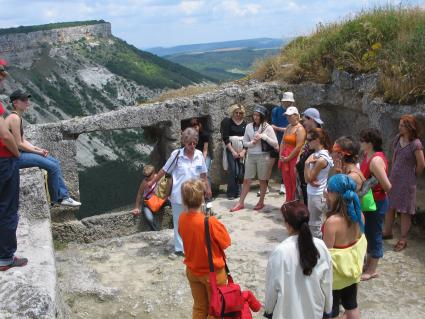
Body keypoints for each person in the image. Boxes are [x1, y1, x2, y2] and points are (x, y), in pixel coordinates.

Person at [6, 90, 81, 207]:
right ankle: (59, 199)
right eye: (24, 100)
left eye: (27, 100)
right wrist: (37, 152)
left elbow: (23, 140)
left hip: (17, 154)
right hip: (12, 157)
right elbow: (19, 144)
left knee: (55, 162)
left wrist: (38, 149)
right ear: (15, 103)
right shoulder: (14, 118)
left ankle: (63, 197)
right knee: (52, 166)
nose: (27, 103)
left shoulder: (17, 117)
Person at [147, 127, 211, 256]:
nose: (192, 146)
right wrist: (152, 182)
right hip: (178, 195)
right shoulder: (177, 155)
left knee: (196, 220)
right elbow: (164, 170)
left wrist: (207, 189)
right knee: (179, 221)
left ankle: (194, 244)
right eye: (189, 143)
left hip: (196, 194)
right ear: (183, 142)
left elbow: (203, 175)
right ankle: (180, 248)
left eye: (194, 143)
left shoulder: (199, 155)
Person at [264, 201, 332, 319]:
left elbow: (272, 287)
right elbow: (327, 283)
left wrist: (268, 310)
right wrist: (328, 310)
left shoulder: (280, 252)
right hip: (315, 312)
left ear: (288, 225)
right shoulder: (321, 246)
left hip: (286, 313)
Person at [178, 179, 230, 319]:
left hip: (193, 271)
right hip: (213, 274)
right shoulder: (210, 221)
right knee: (215, 310)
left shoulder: (182, 218)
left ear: (183, 200)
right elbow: (226, 242)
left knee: (200, 307)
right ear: (202, 198)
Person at [323, 174, 367, 319]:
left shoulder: (332, 222)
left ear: (335, 194)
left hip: (336, 277)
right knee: (351, 305)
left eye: (328, 190)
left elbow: (326, 254)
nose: (326, 192)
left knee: (332, 311)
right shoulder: (359, 215)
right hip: (352, 272)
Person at [0, 60, 28, 271]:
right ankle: (6, 257)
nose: (4, 76)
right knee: (8, 208)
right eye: (1, 72)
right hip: (4, 160)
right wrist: (16, 153)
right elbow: (5, 136)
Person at [383, 115, 425, 251]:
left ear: (409, 127)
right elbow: (395, 158)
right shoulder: (397, 138)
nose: (399, 127)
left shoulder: (416, 144)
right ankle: (387, 232)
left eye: (402, 125)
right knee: (390, 206)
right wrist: (391, 175)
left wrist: (412, 175)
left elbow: (421, 164)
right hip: (394, 178)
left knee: (405, 210)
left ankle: (403, 239)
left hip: (407, 182)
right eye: (399, 124)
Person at [230, 105, 278, 212]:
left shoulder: (267, 127)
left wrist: (264, 137)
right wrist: (252, 143)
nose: (255, 117)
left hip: (263, 156)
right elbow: (245, 143)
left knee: (262, 180)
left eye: (258, 115)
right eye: (254, 115)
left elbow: (275, 143)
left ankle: (261, 202)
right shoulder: (248, 127)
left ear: (262, 116)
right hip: (251, 156)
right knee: (246, 180)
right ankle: (241, 203)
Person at [359, 128, 391, 281]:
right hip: (369, 201)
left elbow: (387, 186)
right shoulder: (368, 155)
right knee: (367, 233)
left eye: (363, 140)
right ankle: (369, 264)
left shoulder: (376, 160)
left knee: (374, 234)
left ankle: (372, 269)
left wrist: (370, 184)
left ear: (370, 143)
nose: (361, 143)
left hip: (376, 202)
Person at [303, 128, 333, 238]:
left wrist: (307, 164)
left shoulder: (321, 159)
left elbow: (307, 179)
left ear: (318, 140)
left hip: (317, 196)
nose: (307, 142)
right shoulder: (317, 154)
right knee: (313, 224)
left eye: (309, 139)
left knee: (315, 226)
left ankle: (318, 252)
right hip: (313, 193)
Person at [296, 107, 323, 205]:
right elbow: (305, 147)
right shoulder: (311, 133)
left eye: (304, 120)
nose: (303, 123)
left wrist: (312, 177)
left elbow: (321, 156)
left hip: (310, 181)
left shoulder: (318, 135)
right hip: (304, 179)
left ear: (311, 119)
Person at [279, 106, 306, 202]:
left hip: (293, 158)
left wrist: (288, 158)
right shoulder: (288, 127)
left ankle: (294, 203)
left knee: (294, 181)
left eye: (290, 116)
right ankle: (288, 201)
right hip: (285, 157)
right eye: (287, 116)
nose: (288, 118)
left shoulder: (300, 129)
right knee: (287, 181)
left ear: (296, 116)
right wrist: (281, 156)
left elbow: (299, 146)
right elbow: (283, 142)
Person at [220, 104, 247, 200]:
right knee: (232, 170)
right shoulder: (227, 122)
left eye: (240, 113)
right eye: (236, 112)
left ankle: (239, 190)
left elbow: (247, 139)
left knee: (240, 171)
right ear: (233, 112)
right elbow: (225, 138)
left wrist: (243, 151)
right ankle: (231, 192)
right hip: (230, 149)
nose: (238, 114)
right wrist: (233, 152)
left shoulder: (245, 124)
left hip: (242, 150)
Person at [269, 92, 291, 194]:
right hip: (276, 141)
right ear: (284, 101)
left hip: (288, 142)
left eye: (291, 101)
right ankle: (265, 185)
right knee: (270, 163)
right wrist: (275, 143)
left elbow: (290, 128)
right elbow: (272, 127)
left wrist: (279, 128)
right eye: (288, 101)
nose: (290, 102)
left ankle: (283, 186)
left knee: (285, 164)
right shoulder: (275, 110)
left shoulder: (292, 111)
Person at [131, 165, 163, 231]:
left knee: (172, 203)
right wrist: (136, 207)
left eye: (148, 176)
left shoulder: (159, 178)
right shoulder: (144, 182)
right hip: (148, 203)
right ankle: (157, 232)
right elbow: (140, 194)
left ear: (153, 173)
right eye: (145, 176)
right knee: (149, 219)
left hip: (158, 200)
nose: (146, 178)